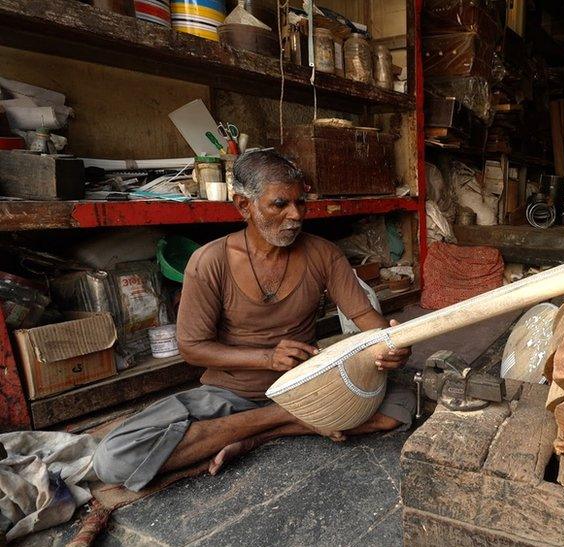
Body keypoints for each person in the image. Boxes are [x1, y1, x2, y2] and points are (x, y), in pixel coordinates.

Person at [92, 150, 414, 492]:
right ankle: (287, 419)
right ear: (244, 205)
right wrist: (266, 358)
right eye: (280, 205)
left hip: (305, 387)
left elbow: (366, 318)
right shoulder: (209, 261)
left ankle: (256, 436)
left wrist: (390, 345)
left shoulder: (324, 254)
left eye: (301, 203)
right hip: (230, 394)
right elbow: (192, 348)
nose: (295, 216)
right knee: (114, 459)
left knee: (401, 405)